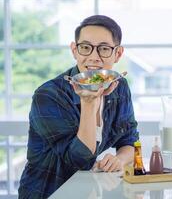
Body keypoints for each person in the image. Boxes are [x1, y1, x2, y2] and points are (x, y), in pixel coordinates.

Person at [18, 15, 139, 199]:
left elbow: (130, 141)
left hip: (88, 191)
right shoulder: (48, 95)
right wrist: (89, 104)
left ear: (118, 54)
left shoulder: (119, 87)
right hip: (47, 192)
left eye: (104, 49)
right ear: (75, 50)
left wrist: (119, 160)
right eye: (85, 47)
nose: (93, 57)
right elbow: (78, 161)